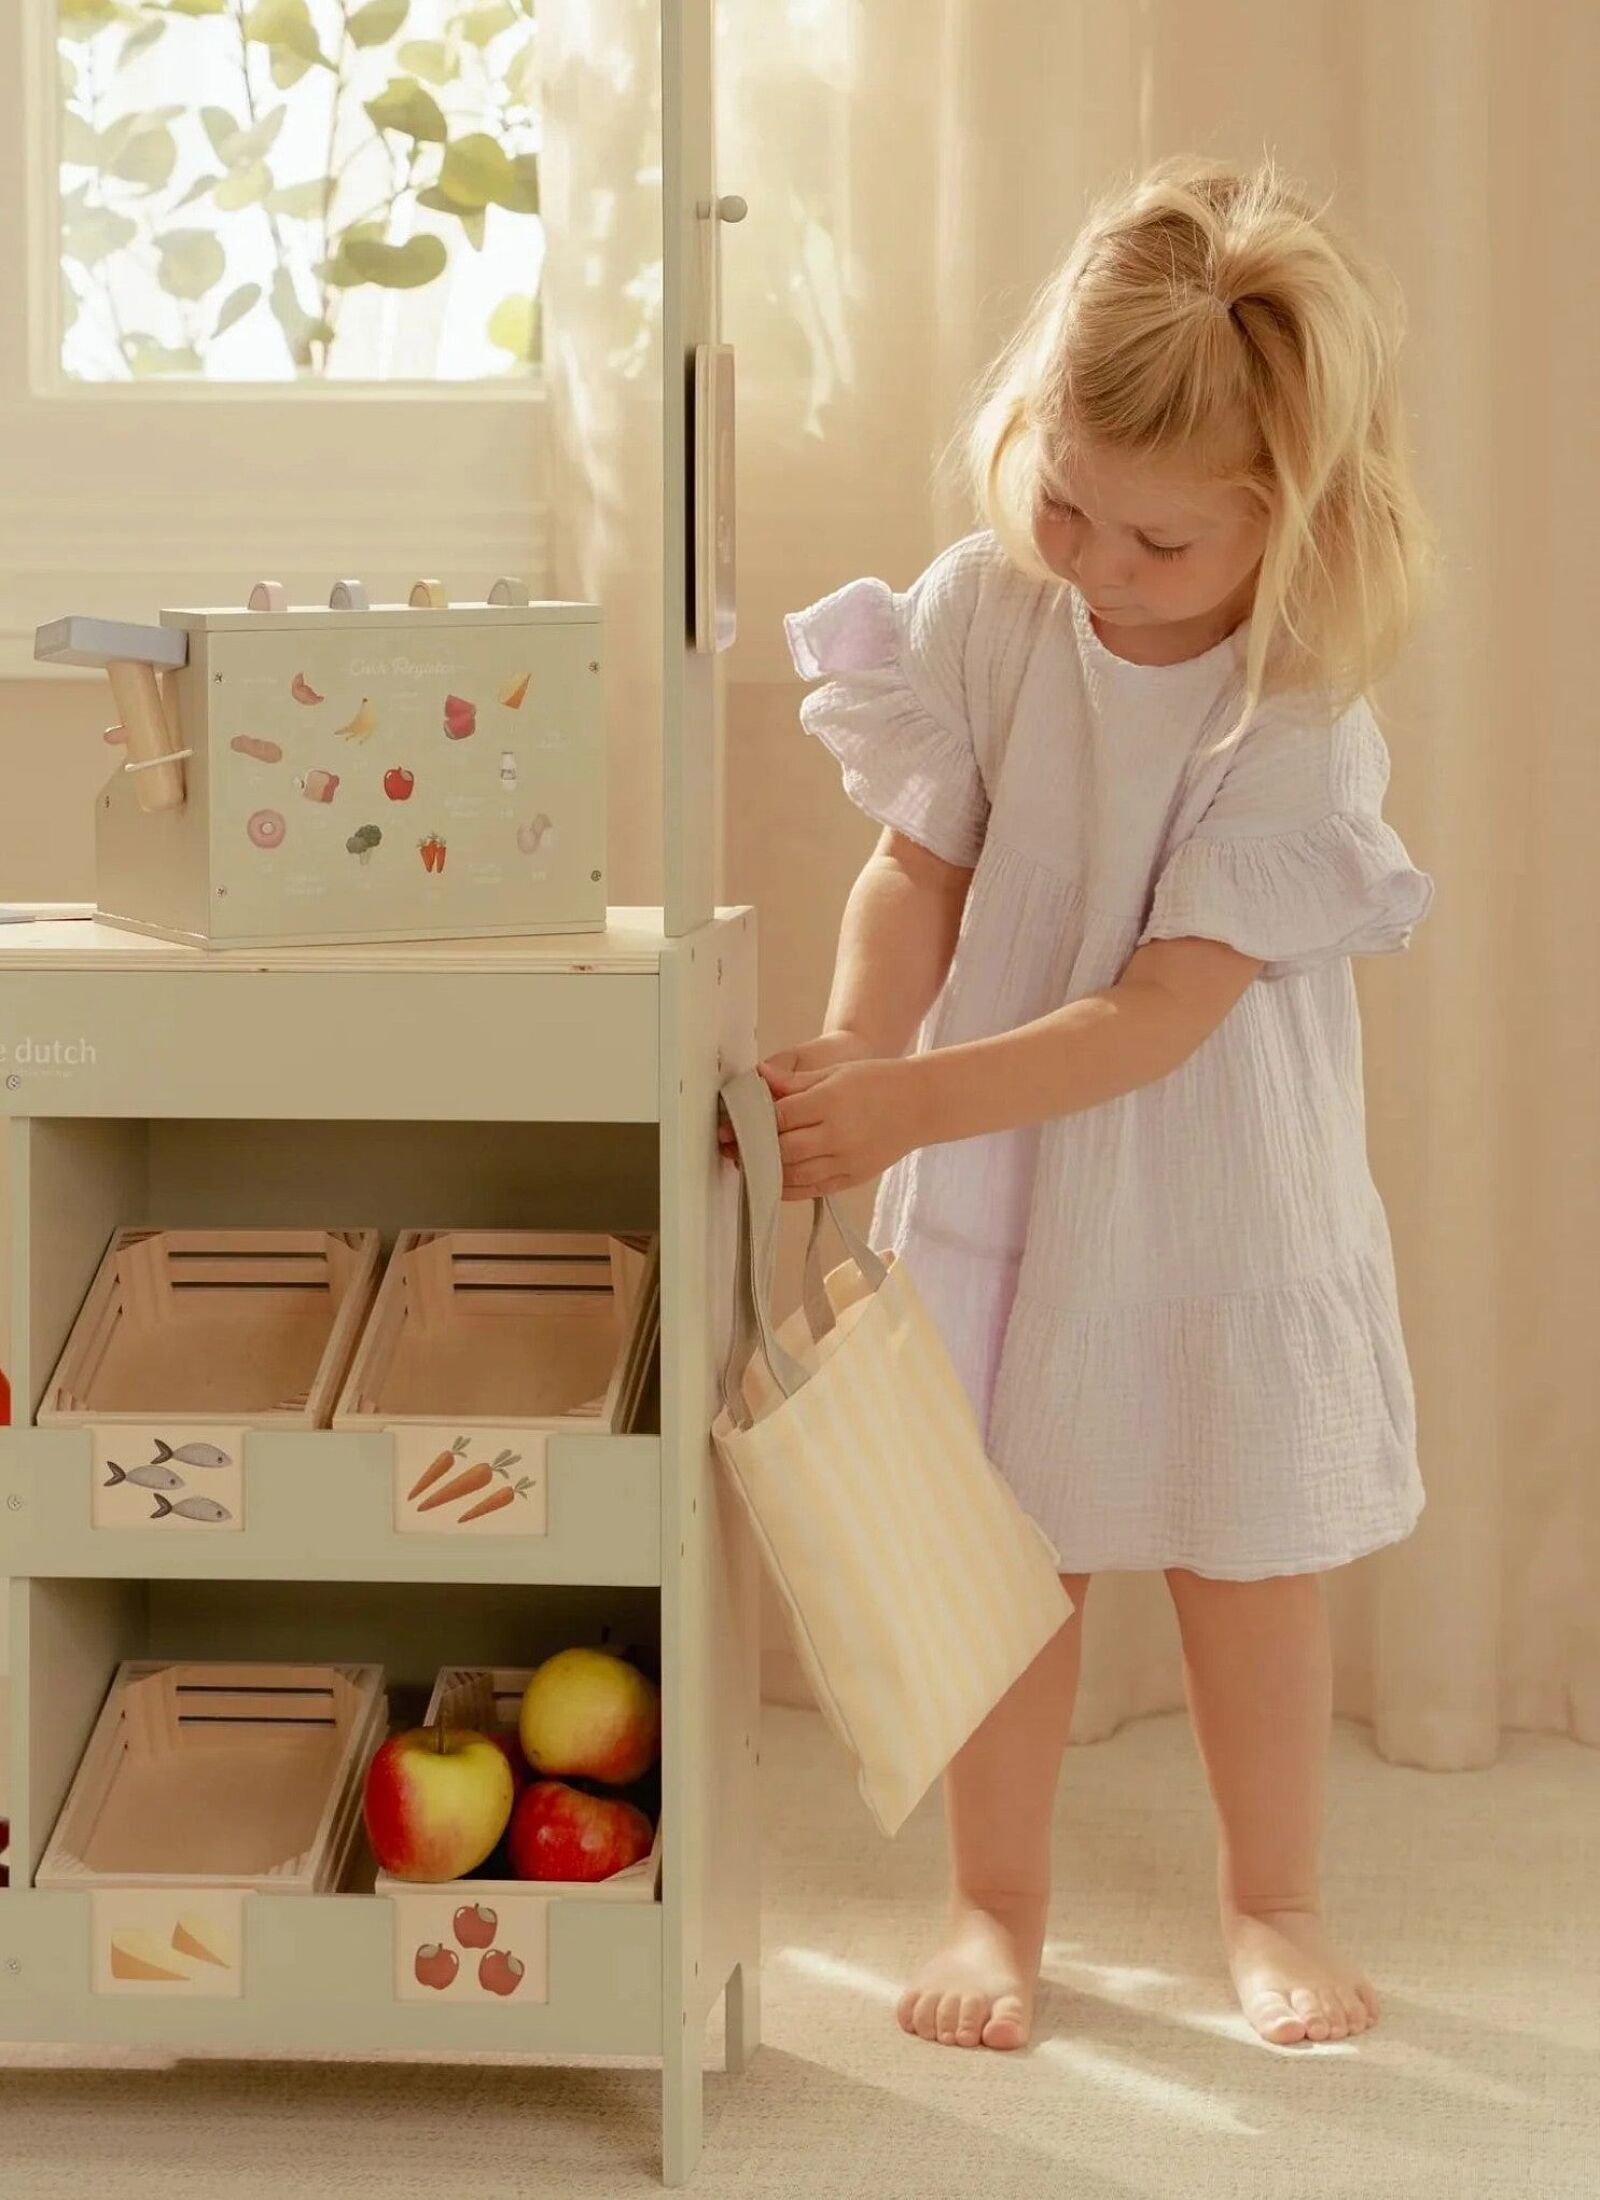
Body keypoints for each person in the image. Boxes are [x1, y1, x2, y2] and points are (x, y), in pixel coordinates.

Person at [740, 154, 1436, 2054]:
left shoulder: (1295, 703)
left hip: (1211, 1180)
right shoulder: (986, 612)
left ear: (1283, 522)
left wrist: (914, 1103)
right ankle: (994, 1905)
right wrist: (863, 1044)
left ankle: (1272, 1901)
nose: (1101, 567)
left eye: (1161, 544)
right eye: (1069, 504)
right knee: (1000, 1549)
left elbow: (1156, 1015)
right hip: (993, 1164)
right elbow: (922, 874)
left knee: (1246, 1550)